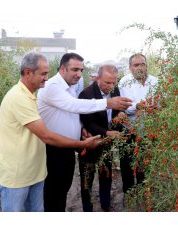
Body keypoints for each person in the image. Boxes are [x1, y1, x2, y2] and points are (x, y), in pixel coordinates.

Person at [0, 51, 102, 212]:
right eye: (43, 73)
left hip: (34, 171)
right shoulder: (19, 98)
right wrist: (82, 144)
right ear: (28, 72)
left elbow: (69, 113)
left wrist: (80, 130)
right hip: (17, 175)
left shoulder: (30, 95)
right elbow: (46, 136)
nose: (46, 77)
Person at [37, 53, 132, 212]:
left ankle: (104, 205)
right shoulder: (53, 87)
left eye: (81, 70)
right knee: (54, 194)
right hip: (54, 150)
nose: (79, 74)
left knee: (61, 193)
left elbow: (73, 115)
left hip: (69, 147)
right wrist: (107, 104)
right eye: (75, 69)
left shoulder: (71, 87)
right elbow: (75, 106)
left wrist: (81, 129)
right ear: (62, 68)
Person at [78, 64, 122, 212]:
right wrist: (107, 133)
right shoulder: (86, 94)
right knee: (87, 180)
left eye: (114, 82)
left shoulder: (115, 90)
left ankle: (105, 204)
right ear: (97, 78)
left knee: (106, 174)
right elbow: (88, 123)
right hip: (91, 142)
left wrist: (120, 114)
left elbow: (116, 112)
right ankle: (87, 208)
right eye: (107, 82)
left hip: (107, 143)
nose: (111, 86)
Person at [118, 53, 158, 196]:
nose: (140, 68)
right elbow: (125, 107)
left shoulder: (155, 82)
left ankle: (143, 193)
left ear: (147, 65)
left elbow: (161, 101)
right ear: (130, 68)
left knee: (145, 163)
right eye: (136, 65)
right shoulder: (124, 82)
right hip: (131, 131)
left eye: (143, 64)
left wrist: (158, 107)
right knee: (128, 164)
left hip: (150, 131)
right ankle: (128, 195)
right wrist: (139, 106)